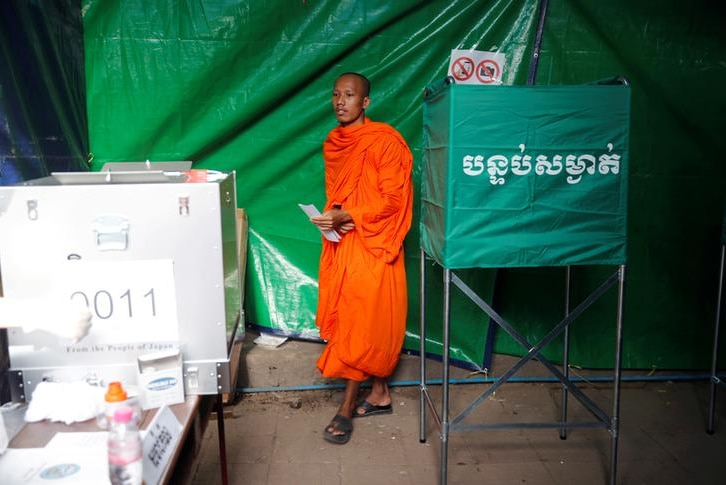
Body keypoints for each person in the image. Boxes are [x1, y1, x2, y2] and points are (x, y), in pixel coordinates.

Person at [310, 72, 413, 445]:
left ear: (365, 102)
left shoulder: (385, 143)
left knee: (361, 320)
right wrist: (331, 218)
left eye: (349, 95)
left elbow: (392, 201)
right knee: (361, 319)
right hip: (345, 241)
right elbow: (340, 194)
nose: (340, 101)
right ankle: (380, 394)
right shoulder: (333, 142)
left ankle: (346, 409)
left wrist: (348, 214)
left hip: (376, 241)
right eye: (336, 94)